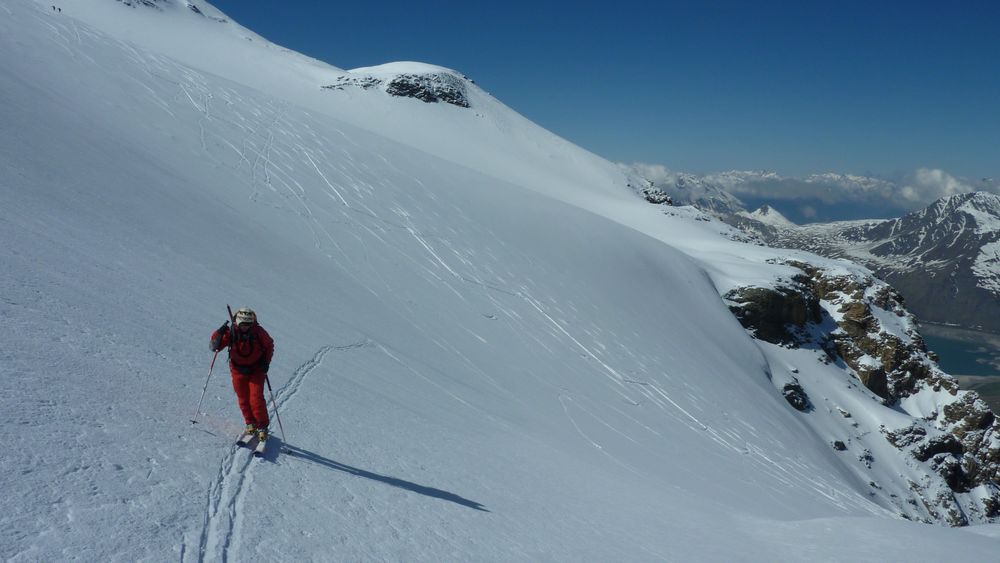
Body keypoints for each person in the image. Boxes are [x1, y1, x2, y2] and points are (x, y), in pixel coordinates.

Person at [210, 307, 274, 442]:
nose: (245, 327)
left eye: (248, 324)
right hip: (238, 370)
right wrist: (219, 333)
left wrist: (266, 362)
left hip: (256, 370)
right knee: (243, 398)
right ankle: (250, 422)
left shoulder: (258, 332)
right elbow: (214, 347)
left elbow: (269, 345)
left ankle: (262, 426)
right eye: (243, 324)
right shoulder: (231, 332)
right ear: (238, 322)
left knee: (256, 398)